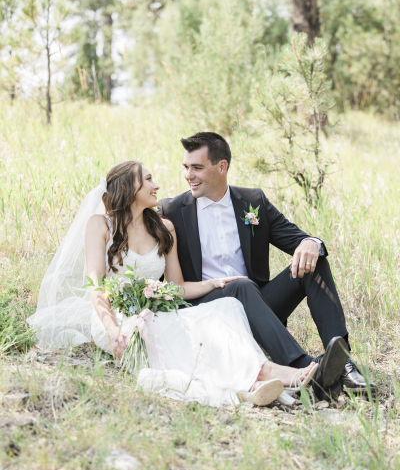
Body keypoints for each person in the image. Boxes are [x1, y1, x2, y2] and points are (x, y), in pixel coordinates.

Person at [27, 160, 321, 408]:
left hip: (155, 311)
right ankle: (269, 373)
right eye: (148, 180)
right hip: (116, 319)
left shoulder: (163, 228)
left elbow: (176, 287)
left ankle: (252, 381)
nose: (156, 185)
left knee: (227, 307)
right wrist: (112, 329)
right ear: (129, 189)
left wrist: (214, 284)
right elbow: (96, 286)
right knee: (167, 330)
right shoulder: (100, 225)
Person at [157, 132, 375, 399]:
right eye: (186, 167)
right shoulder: (171, 210)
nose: (189, 175)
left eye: (197, 168)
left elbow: (296, 238)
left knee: (313, 261)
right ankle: (303, 367)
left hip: (258, 307)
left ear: (222, 166)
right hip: (208, 312)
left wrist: (310, 241)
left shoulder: (253, 202)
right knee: (242, 285)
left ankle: (342, 362)